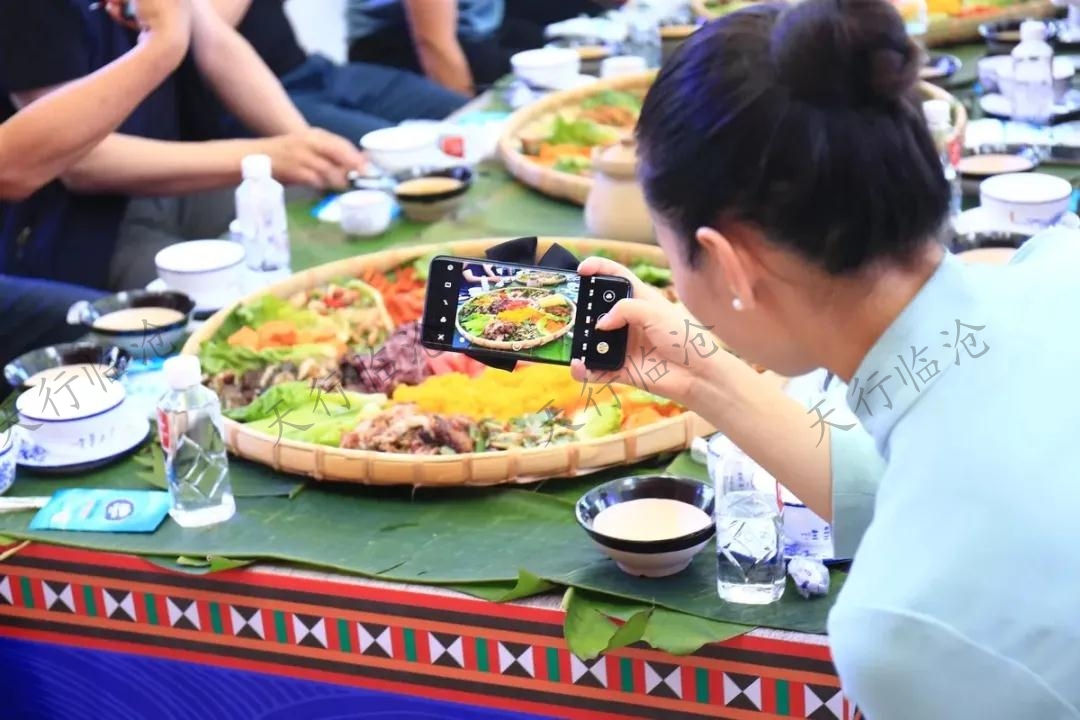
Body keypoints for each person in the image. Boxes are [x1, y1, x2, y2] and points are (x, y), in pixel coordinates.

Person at [570, 1, 1080, 718]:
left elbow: (945, 538)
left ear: (724, 260)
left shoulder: (905, 629)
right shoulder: (1060, 264)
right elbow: (919, 493)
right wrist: (704, 373)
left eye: (667, 244)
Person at [0, 0, 365, 292]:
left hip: (170, 190)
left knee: (325, 209)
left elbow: (215, 44)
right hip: (85, 230)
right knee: (223, 308)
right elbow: (76, 165)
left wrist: (304, 146)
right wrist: (267, 156)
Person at [0, 0, 192, 375]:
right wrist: (162, 44)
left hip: (148, 194)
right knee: (151, 340)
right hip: (84, 227)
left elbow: (209, 33)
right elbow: (14, 167)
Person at [184, 0, 467, 144]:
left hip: (316, 71)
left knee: (467, 115)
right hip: (254, 101)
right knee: (399, 157)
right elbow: (192, 31)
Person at [346, 0, 619, 94]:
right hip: (393, 45)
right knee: (537, 80)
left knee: (563, 51)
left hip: (477, 28)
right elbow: (433, 44)